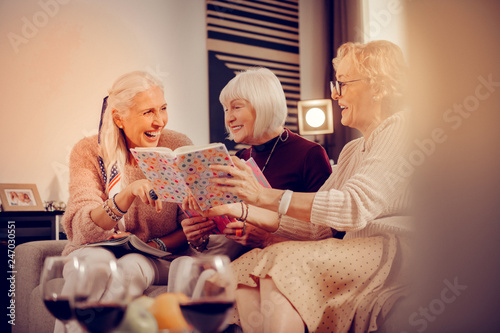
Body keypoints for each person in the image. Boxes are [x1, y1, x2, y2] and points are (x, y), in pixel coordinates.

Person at [186, 40, 412, 333]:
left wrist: (261, 196)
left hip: (393, 251)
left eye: (342, 84)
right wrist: (238, 208)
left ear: (378, 85)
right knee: (242, 270)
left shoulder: (401, 126)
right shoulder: (353, 150)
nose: (334, 93)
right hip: (357, 248)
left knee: (285, 262)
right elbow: (318, 228)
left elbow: (352, 207)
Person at [55, 71, 193, 332]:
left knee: (131, 267)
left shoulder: (177, 147)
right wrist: (125, 196)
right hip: (96, 248)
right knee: (90, 266)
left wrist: (155, 244)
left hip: (158, 256)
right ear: (119, 118)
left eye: (163, 109)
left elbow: (191, 227)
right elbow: (82, 228)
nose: (159, 121)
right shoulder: (89, 151)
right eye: (148, 112)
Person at [181, 67, 333, 258]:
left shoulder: (310, 154)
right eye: (226, 109)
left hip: (285, 260)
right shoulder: (242, 157)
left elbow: (326, 232)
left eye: (236, 107)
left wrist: (266, 238)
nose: (229, 118)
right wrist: (199, 237)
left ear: (263, 105)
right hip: (240, 256)